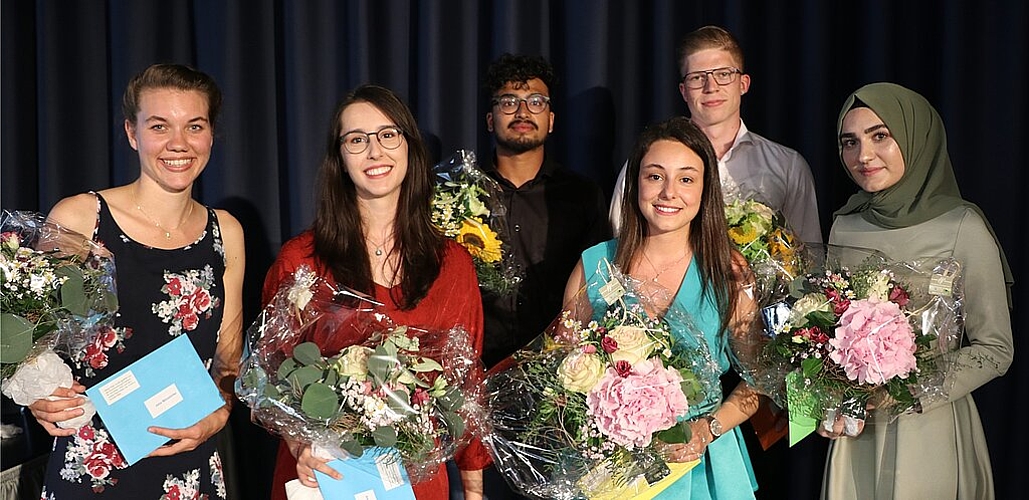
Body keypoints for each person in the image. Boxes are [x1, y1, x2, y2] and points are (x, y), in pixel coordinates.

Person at [261, 84, 490, 500]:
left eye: (388, 134)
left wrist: (473, 490)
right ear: (339, 159)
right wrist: (299, 444)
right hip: (324, 477)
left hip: (417, 482)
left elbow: (467, 381)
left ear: (409, 146)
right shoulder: (302, 261)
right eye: (356, 140)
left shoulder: (452, 263)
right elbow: (269, 377)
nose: (374, 151)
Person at [27, 63, 245, 498]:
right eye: (159, 126)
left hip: (191, 466)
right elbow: (25, 338)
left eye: (194, 126)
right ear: (132, 133)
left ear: (211, 135)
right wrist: (36, 394)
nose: (178, 144)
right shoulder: (81, 219)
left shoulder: (227, 231)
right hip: (92, 468)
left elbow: (229, 361)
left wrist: (218, 416)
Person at [819, 82, 1014, 499]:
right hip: (858, 433)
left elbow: (996, 348)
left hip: (931, 425)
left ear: (915, 135)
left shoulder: (962, 227)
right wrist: (825, 392)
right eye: (849, 142)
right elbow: (826, 331)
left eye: (880, 136)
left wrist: (905, 392)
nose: (863, 156)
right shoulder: (845, 225)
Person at [564, 116, 760, 499]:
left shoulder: (731, 272)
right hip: (616, 471)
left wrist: (708, 429)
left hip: (704, 467)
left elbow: (759, 380)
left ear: (706, 190)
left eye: (686, 179)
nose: (669, 192)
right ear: (635, 183)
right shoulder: (595, 265)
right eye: (655, 176)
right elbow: (560, 371)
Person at [609, 26, 821, 245]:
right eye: (697, 78)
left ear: (743, 84)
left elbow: (808, 255)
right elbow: (620, 245)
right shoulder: (648, 165)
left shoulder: (788, 166)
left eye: (723, 74)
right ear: (683, 91)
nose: (711, 87)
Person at [479, 53, 610, 369]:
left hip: (558, 373)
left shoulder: (582, 195)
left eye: (536, 102)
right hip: (473, 371)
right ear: (490, 119)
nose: (522, 111)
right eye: (509, 102)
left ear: (550, 120)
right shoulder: (460, 194)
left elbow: (599, 285)